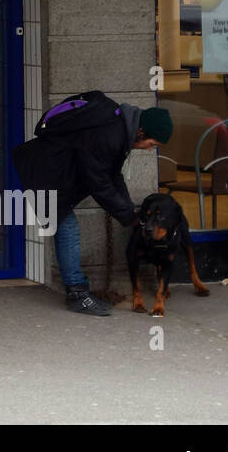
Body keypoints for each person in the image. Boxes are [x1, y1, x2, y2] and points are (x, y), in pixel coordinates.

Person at [13, 91, 173, 316]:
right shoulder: (110, 135)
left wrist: (130, 211)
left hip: (50, 172)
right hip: (43, 173)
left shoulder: (118, 125)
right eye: (151, 143)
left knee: (63, 226)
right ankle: (77, 294)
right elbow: (99, 183)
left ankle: (77, 290)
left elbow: (113, 175)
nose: (149, 149)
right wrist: (128, 217)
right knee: (67, 230)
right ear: (141, 131)